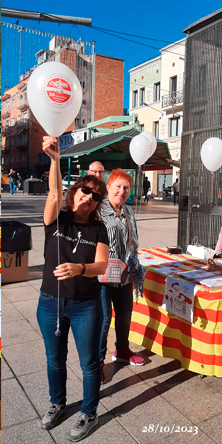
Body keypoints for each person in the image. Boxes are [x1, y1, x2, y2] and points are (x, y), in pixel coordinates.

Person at [37, 137, 109, 441]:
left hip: (85, 305)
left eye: (95, 195)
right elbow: (54, 191)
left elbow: (102, 265)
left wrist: (80, 268)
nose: (89, 197)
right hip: (50, 303)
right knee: (55, 359)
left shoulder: (98, 228)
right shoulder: (57, 221)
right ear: (75, 192)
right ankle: (57, 403)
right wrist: (55, 158)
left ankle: (89, 412)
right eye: (85, 190)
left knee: (89, 362)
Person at [99, 168, 147, 384]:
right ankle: (98, 361)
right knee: (103, 320)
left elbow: (133, 241)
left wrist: (134, 263)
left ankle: (122, 351)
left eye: (126, 187)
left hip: (125, 275)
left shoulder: (128, 211)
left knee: (125, 314)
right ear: (108, 187)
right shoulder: (97, 210)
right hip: (101, 276)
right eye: (118, 186)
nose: (122, 191)